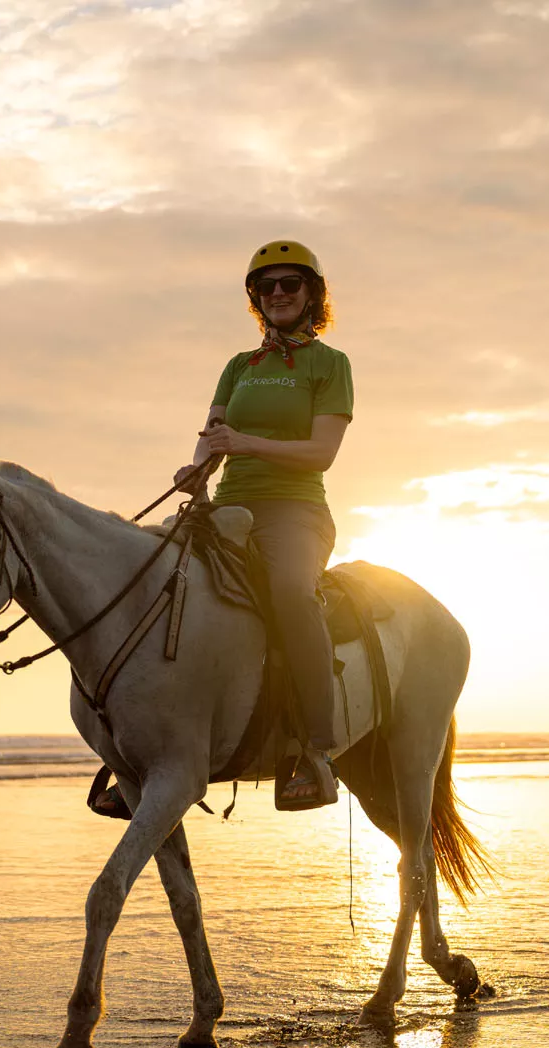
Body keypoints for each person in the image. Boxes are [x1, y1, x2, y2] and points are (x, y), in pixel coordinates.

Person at [176, 239, 353, 809]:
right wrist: (195, 469)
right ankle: (145, 742)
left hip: (295, 509)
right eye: (266, 286)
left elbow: (321, 453)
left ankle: (315, 751)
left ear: (311, 295)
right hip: (227, 507)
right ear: (256, 297)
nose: (277, 294)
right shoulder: (237, 367)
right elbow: (213, 437)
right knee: (155, 582)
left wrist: (245, 443)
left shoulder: (329, 365)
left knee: (291, 595)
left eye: (290, 285)